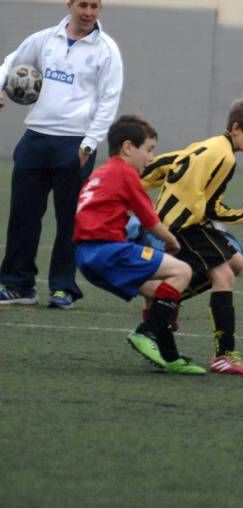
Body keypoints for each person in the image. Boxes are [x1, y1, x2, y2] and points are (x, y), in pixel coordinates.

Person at [0, 0, 123, 309]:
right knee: (23, 216)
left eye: (95, 6)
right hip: (35, 139)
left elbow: (109, 100)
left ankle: (63, 287)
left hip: (75, 145)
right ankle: (18, 284)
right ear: (70, 4)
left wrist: (89, 143)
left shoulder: (107, 50)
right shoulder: (44, 40)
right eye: (83, 4)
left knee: (71, 220)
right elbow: (9, 63)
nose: (89, 12)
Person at [139, 92, 243, 376]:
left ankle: (164, 302)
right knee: (224, 274)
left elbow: (168, 163)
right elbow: (212, 208)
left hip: (180, 223)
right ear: (237, 128)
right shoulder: (225, 158)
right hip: (184, 226)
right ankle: (223, 354)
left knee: (235, 263)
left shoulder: (209, 145)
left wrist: (133, 181)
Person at [74, 115, 204, 375]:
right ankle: (145, 332)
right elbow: (150, 220)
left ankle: (170, 356)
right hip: (109, 250)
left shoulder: (101, 173)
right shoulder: (125, 172)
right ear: (127, 147)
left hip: (85, 256)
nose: (152, 158)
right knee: (183, 271)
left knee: (157, 291)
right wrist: (172, 241)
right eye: (149, 149)